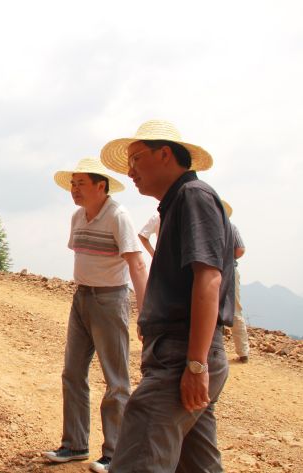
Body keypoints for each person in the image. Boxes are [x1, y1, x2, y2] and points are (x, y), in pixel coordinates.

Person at [100, 119, 234, 472]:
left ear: (164, 154)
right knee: (196, 462)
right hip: (182, 352)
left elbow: (208, 279)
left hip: (181, 355)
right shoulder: (179, 202)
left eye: (136, 159)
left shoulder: (193, 196)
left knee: (138, 459)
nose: (130, 171)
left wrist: (195, 364)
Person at [43, 158, 148, 473]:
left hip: (109, 300)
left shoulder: (118, 216)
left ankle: (116, 454)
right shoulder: (78, 216)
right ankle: (74, 445)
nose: (74, 190)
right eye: (72, 184)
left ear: (101, 186)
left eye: (80, 184)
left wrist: (144, 311)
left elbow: (137, 263)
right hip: (81, 298)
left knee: (116, 381)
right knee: (72, 373)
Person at [222, 200, 250, 363]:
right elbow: (240, 250)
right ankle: (243, 351)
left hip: (207, 271)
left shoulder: (206, 227)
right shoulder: (231, 227)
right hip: (230, 270)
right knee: (235, 309)